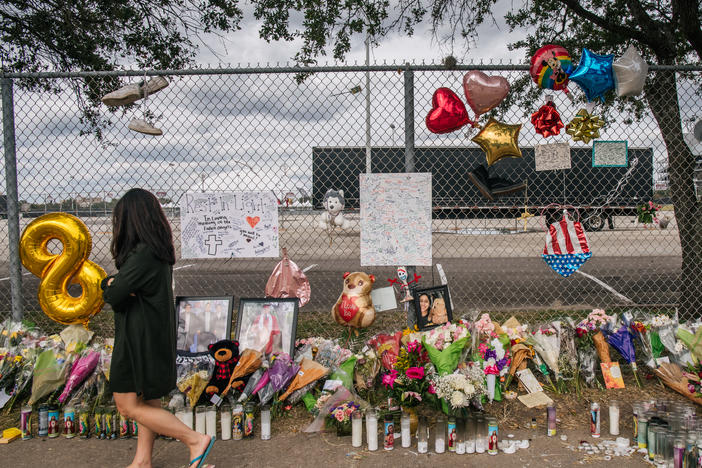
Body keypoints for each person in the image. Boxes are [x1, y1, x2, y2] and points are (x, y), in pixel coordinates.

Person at [102, 188, 214, 468]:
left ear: (129, 220)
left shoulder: (142, 255)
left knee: (127, 406)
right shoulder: (156, 252)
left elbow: (115, 295)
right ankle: (142, 461)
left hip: (137, 338)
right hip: (153, 334)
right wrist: (115, 284)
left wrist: (108, 285)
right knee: (149, 401)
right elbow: (121, 286)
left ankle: (194, 439)